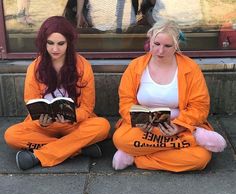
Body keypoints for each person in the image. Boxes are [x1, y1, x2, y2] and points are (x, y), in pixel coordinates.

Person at [112, 19, 226, 172]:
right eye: (156, 44)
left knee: (200, 159)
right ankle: (193, 139)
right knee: (121, 139)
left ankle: (137, 157)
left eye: (167, 46)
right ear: (150, 40)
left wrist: (179, 126)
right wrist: (139, 121)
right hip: (145, 129)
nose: (160, 51)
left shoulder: (190, 68)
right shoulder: (136, 66)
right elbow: (126, 101)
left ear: (176, 46)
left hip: (178, 125)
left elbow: (199, 106)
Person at [4, 16, 110, 170]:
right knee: (11, 135)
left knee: (102, 126)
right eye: (50, 43)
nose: (55, 49)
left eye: (61, 44)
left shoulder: (83, 66)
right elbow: (30, 101)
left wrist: (71, 117)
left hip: (73, 124)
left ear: (69, 43)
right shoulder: (35, 68)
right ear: (44, 42)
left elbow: (87, 107)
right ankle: (78, 148)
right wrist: (41, 121)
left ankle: (38, 155)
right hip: (44, 127)